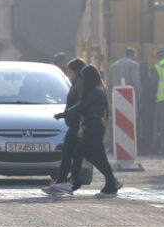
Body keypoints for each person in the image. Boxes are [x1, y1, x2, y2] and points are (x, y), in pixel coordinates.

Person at [49, 65, 123, 198]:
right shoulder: (96, 89)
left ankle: (74, 183)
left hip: (93, 128)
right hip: (92, 127)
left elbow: (82, 106)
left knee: (80, 154)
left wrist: (64, 114)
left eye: (83, 77)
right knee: (95, 157)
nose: (81, 80)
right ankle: (111, 183)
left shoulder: (95, 91)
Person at [42, 57, 87, 195]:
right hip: (75, 125)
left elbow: (79, 107)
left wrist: (65, 115)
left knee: (68, 153)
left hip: (77, 126)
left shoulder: (80, 86)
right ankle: (70, 181)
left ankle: (62, 181)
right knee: (81, 156)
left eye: (70, 71)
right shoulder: (76, 84)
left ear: (77, 72)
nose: (68, 74)